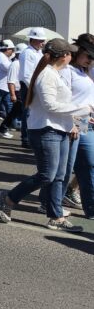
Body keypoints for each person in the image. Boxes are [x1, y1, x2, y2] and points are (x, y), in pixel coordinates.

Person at [0, 39, 91, 231]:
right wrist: (82, 109)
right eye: (70, 53)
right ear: (64, 56)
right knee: (47, 175)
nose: (72, 56)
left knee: (59, 176)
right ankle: (9, 198)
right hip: (46, 130)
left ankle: (56, 217)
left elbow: (63, 104)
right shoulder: (47, 75)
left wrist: (75, 121)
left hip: (62, 128)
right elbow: (50, 106)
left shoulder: (58, 73)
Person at [59, 34, 94, 218]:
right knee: (65, 167)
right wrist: (73, 120)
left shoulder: (83, 71)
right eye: (89, 55)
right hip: (73, 120)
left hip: (85, 120)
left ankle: (91, 208)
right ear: (79, 50)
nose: (91, 60)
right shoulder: (67, 70)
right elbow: (62, 99)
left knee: (89, 164)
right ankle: (49, 201)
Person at [17, 27, 47, 146]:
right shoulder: (27, 53)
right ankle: (26, 139)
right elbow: (26, 75)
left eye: (43, 40)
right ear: (33, 39)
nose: (42, 43)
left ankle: (31, 138)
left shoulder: (38, 52)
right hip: (29, 86)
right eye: (40, 40)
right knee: (28, 113)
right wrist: (35, 88)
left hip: (35, 85)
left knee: (34, 113)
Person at [0, 42, 27, 139]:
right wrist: (13, 94)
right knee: (21, 113)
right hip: (17, 91)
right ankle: (23, 134)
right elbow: (11, 81)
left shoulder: (21, 64)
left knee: (15, 112)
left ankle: (2, 129)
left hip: (21, 90)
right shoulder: (15, 64)